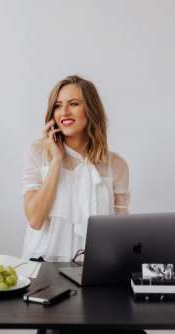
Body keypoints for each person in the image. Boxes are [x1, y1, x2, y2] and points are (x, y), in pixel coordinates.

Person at [21, 74, 130, 263]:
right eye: (58, 105)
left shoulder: (116, 165)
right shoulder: (38, 152)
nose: (64, 112)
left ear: (91, 109)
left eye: (73, 104)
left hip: (96, 267)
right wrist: (56, 161)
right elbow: (35, 220)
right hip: (43, 266)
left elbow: (122, 233)